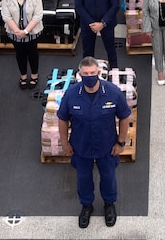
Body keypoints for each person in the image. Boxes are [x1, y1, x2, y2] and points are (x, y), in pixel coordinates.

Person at [57, 57, 132, 229]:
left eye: (92, 73)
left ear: (99, 73)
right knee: (83, 178)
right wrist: (64, 142)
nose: (90, 76)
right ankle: (86, 206)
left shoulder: (113, 93)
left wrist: (120, 142)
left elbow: (124, 116)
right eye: (86, 74)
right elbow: (62, 118)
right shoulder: (71, 94)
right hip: (81, 146)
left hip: (107, 146)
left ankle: (109, 205)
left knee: (108, 177)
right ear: (80, 74)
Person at [0, 0, 44, 90]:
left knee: (33, 52)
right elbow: (6, 16)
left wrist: (25, 31)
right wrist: (17, 32)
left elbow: (38, 15)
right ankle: (23, 75)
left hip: (33, 32)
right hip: (14, 34)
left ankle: (34, 74)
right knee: (20, 54)